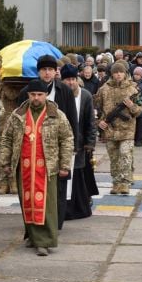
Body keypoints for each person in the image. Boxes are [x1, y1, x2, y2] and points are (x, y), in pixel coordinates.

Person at [0, 79, 73, 256]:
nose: (36, 98)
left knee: (46, 205)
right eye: (33, 95)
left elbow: (67, 140)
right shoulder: (18, 115)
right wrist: (5, 162)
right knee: (27, 203)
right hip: (23, 166)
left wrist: (65, 165)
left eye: (40, 94)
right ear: (28, 95)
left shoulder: (56, 115)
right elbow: (7, 139)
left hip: (47, 168)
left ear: (46, 95)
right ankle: (32, 236)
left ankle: (44, 241)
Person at [17, 54, 78, 228]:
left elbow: (72, 119)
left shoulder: (64, 90)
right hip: (33, 147)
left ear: (56, 71)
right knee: (31, 187)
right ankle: (32, 226)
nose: (47, 73)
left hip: (57, 147)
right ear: (38, 71)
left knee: (58, 188)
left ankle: (55, 224)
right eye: (44, 69)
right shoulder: (26, 92)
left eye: (51, 69)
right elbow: (19, 120)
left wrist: (74, 146)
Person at [95, 62, 142, 195]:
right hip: (110, 130)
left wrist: (132, 106)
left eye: (120, 72)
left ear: (125, 73)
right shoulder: (104, 89)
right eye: (115, 72)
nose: (118, 74)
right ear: (112, 74)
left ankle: (125, 182)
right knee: (114, 158)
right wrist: (99, 122)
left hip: (127, 129)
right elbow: (95, 108)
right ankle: (116, 182)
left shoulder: (133, 89)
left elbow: (140, 110)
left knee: (125, 155)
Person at [60, 64, 97, 220]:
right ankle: (63, 208)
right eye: (67, 80)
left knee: (78, 176)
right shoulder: (59, 95)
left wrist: (90, 143)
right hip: (62, 143)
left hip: (80, 144)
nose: (71, 83)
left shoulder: (86, 96)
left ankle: (79, 207)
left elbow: (90, 122)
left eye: (73, 79)